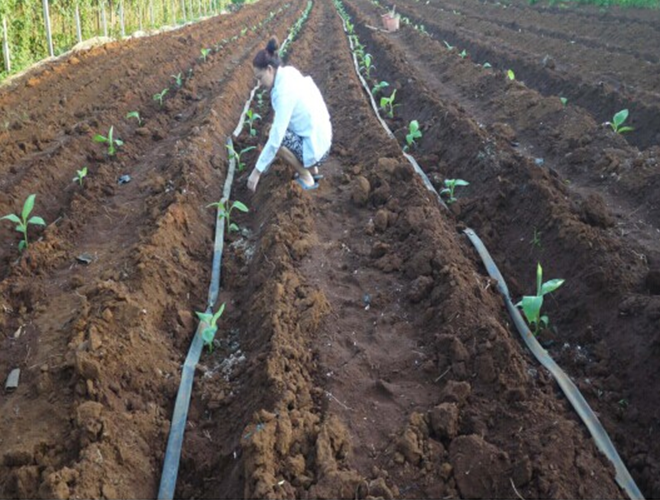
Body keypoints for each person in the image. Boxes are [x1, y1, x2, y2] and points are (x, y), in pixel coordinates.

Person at [247, 37, 332, 192]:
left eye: (260, 78)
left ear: (270, 70)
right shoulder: (288, 72)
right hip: (322, 138)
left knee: (275, 140)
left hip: (318, 147)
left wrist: (256, 172)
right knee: (278, 132)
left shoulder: (283, 93)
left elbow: (276, 138)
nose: (259, 84)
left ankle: (307, 176)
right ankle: (313, 170)